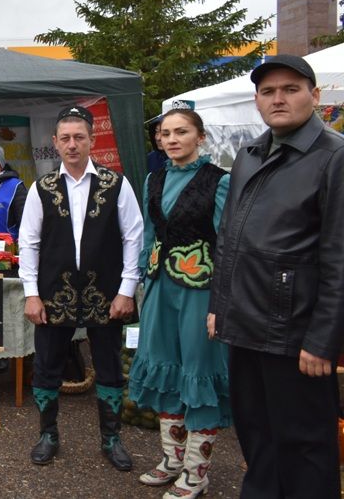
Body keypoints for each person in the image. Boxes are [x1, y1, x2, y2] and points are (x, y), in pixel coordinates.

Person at [207, 55, 344, 498]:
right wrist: (219, 308)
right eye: (268, 91)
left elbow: (340, 256)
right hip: (245, 325)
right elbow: (228, 239)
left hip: (296, 334)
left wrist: (324, 339)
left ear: (315, 96)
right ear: (257, 101)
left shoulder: (335, 157)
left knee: (304, 448)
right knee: (256, 438)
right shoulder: (249, 156)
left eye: (290, 89)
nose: (278, 99)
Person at [18, 105, 143, 471]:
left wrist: (126, 290)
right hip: (53, 292)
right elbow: (29, 242)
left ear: (92, 141)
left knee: (108, 367)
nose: (73, 145)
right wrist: (30, 292)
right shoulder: (41, 188)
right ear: (55, 143)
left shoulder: (115, 183)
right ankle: (48, 435)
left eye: (80, 138)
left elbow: (133, 237)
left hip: (104, 292)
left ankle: (111, 438)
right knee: (47, 366)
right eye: (66, 138)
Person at [129, 109, 230, 499]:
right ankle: (173, 459)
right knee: (166, 371)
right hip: (159, 288)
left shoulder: (219, 181)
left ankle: (196, 472)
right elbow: (149, 234)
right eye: (165, 133)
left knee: (198, 372)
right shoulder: (153, 178)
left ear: (200, 137)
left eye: (181, 132)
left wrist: (221, 301)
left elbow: (226, 244)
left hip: (200, 288)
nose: (171, 139)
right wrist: (142, 279)